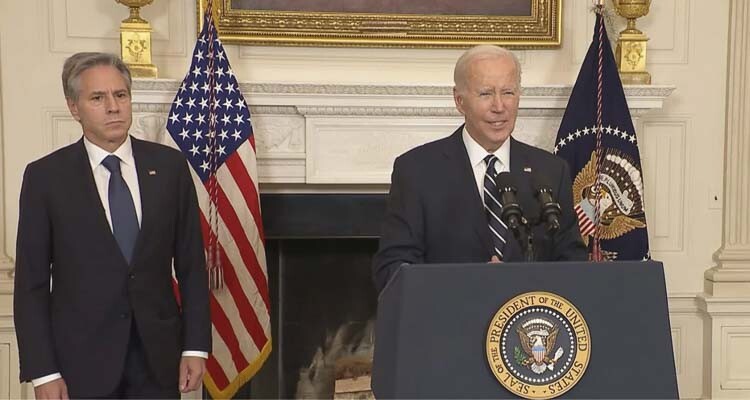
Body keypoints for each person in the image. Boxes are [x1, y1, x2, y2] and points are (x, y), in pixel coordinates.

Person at [13, 52, 211, 398]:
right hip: (80, 363)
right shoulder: (46, 178)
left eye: (120, 95)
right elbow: (31, 284)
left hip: (157, 360)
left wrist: (194, 347)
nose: (113, 107)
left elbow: (193, 266)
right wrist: (43, 372)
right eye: (98, 98)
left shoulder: (169, 168)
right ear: (74, 107)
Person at [372, 45, 588, 292]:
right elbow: (392, 269)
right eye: (486, 94)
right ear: (459, 101)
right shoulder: (417, 171)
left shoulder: (550, 171)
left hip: (529, 325)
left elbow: (573, 264)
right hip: (450, 324)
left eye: (508, 92)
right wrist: (472, 284)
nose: (499, 106)